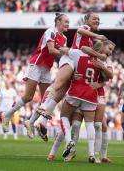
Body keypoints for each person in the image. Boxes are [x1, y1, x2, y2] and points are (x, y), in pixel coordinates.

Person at [26, 12, 108, 140]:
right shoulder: (86, 28)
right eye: (94, 18)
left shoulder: (90, 38)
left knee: (60, 94)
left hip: (75, 62)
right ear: (87, 19)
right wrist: (98, 37)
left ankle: (41, 121)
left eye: (98, 19)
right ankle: (42, 109)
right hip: (70, 59)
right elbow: (80, 30)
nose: (97, 20)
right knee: (57, 86)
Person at [47, 40, 115, 162]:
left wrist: (100, 83)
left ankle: (96, 154)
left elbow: (109, 76)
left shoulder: (81, 54)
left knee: (92, 124)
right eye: (109, 49)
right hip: (90, 94)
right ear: (102, 46)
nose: (110, 52)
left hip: (84, 92)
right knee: (80, 125)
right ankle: (87, 154)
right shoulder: (99, 59)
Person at [2, 13, 69, 133]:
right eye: (65, 22)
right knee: (28, 96)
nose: (68, 24)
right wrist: (67, 52)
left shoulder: (65, 38)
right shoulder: (50, 31)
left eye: (68, 22)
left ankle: (30, 122)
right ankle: (7, 115)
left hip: (47, 68)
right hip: (37, 64)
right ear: (58, 22)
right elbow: (51, 50)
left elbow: (62, 53)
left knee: (45, 100)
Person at [60, 39, 104, 163]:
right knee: (90, 125)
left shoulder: (77, 53)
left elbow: (62, 50)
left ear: (90, 45)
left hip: (76, 92)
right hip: (90, 95)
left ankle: (70, 142)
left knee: (64, 117)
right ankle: (91, 154)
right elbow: (106, 78)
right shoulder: (100, 61)